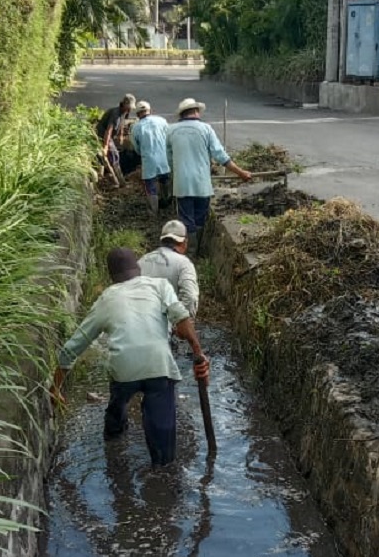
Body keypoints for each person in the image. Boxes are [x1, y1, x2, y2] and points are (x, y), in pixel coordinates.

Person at [52, 247, 209, 467]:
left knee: (118, 406)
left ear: (111, 277)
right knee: (163, 438)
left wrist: (55, 387)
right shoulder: (160, 286)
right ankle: (162, 472)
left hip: (124, 371)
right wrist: (198, 354)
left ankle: (115, 447)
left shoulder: (106, 298)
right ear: (139, 269)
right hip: (159, 366)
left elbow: (73, 347)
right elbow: (182, 319)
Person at [166, 98, 252, 255]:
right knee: (199, 218)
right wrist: (241, 172)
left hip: (182, 184)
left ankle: (190, 253)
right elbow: (220, 156)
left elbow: (169, 159)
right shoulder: (206, 129)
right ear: (196, 112)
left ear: (182, 114)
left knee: (186, 219)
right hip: (202, 184)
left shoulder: (171, 130)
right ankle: (196, 250)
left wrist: (176, 171)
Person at [139, 219, 199, 319]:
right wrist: (183, 323)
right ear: (184, 242)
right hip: (166, 326)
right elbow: (191, 297)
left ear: (161, 240)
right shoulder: (184, 264)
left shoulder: (142, 260)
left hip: (141, 322)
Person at [130, 100, 171, 213]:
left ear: (138, 114)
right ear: (151, 111)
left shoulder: (136, 127)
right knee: (165, 180)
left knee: (150, 185)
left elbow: (136, 146)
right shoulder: (162, 121)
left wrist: (142, 153)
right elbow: (169, 138)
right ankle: (166, 201)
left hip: (148, 160)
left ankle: (154, 211)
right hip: (163, 158)